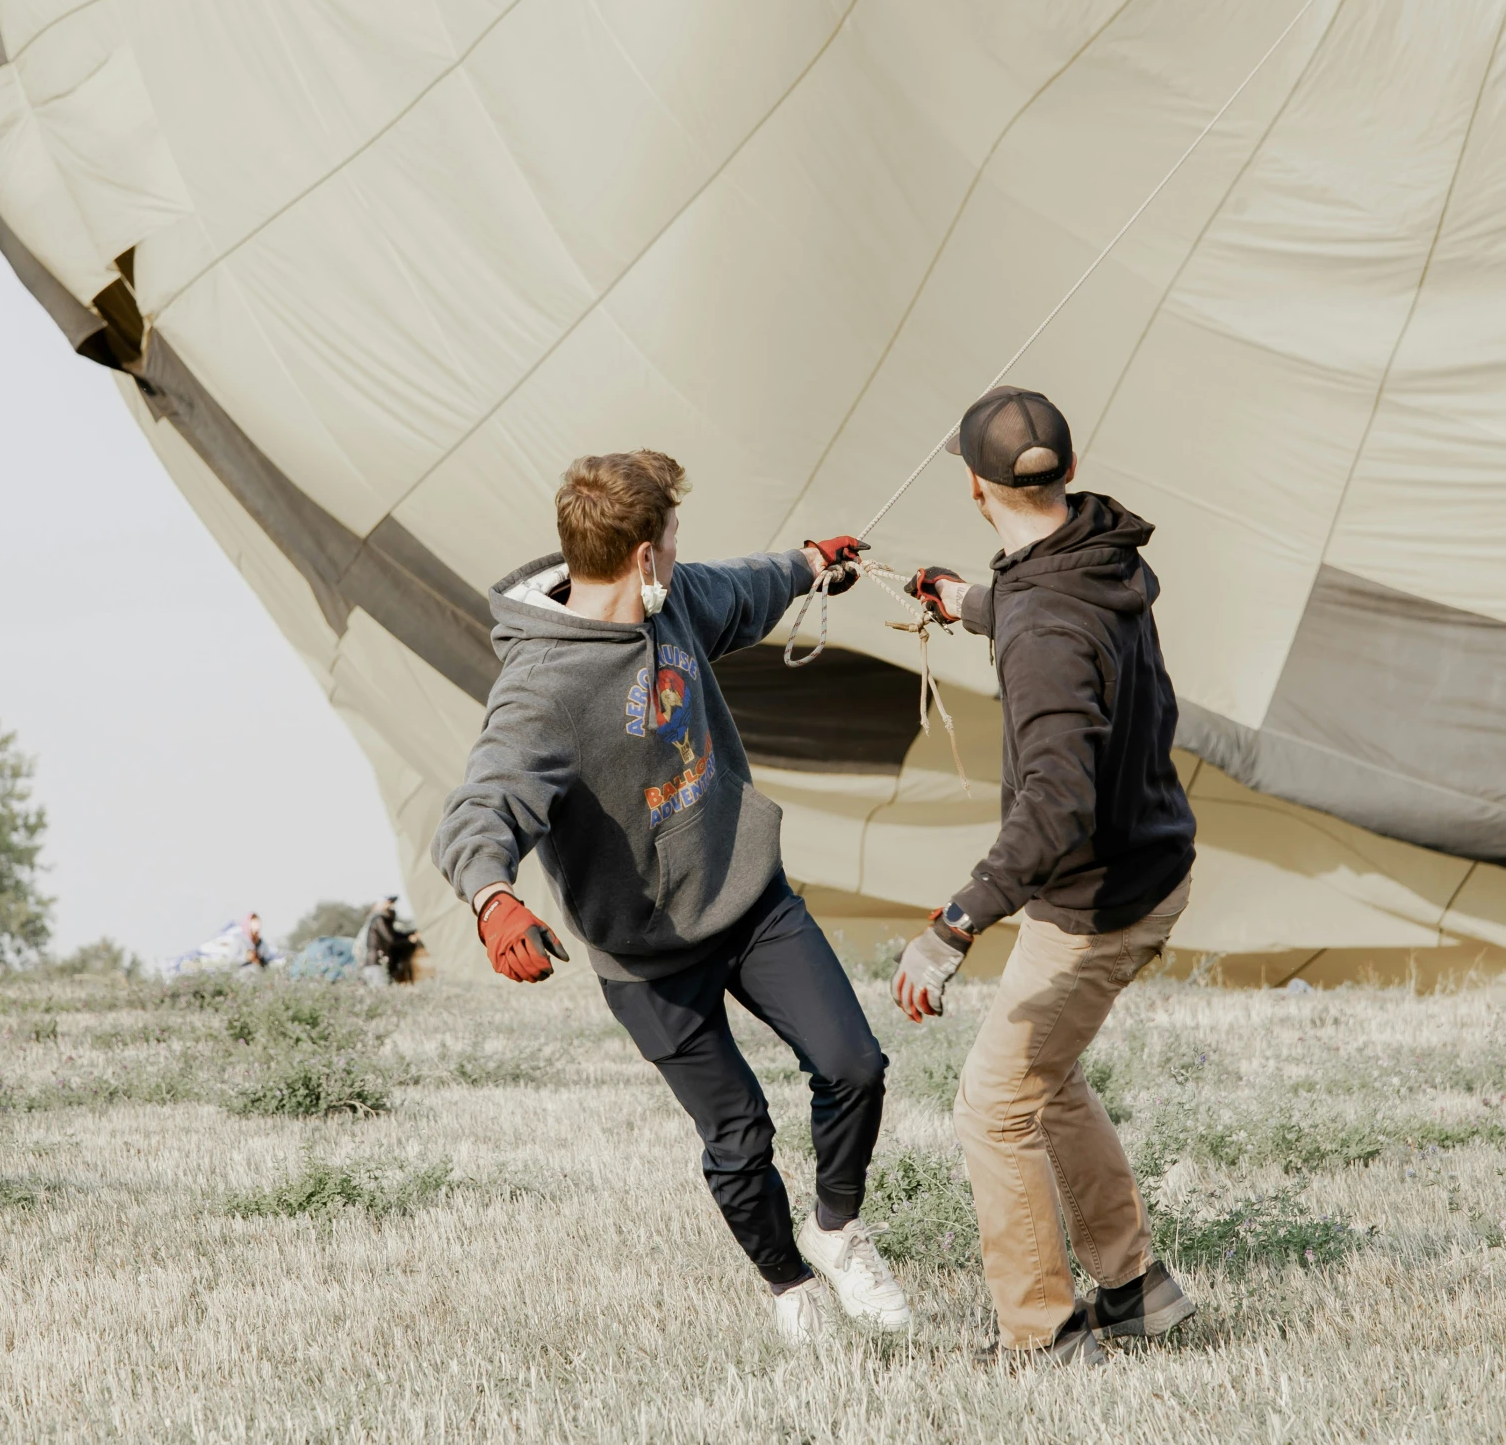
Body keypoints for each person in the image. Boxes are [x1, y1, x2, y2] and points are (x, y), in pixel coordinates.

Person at [431, 449, 912, 1344]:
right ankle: (790, 1286)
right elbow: (482, 802)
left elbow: (746, 584)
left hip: (748, 894)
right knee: (739, 1136)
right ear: (644, 555)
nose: (683, 558)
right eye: (674, 542)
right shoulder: (544, 686)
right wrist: (493, 898)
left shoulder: (677, 601)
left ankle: (838, 1232)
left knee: (853, 1066)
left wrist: (812, 565)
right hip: (645, 953)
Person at [893, 387, 1198, 1368]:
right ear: (1065, 472)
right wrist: (976, 603)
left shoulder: (1041, 629)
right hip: (1149, 860)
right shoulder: (1099, 552)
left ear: (978, 488)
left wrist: (952, 926)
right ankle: (1134, 1288)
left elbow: (1053, 806)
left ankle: (1045, 1334)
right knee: (1044, 1078)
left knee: (994, 1105)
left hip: (1096, 898)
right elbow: (1063, 626)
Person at [365, 897, 421, 985]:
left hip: (379, 964)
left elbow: (395, 935)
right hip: (377, 964)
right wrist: (409, 941)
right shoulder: (379, 919)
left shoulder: (383, 920)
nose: (392, 907)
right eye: (389, 903)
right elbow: (391, 939)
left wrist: (411, 935)